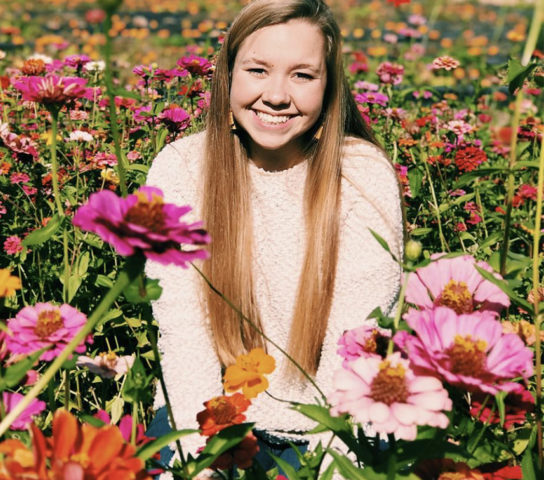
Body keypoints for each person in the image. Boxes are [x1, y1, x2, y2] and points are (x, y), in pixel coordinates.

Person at [145, 0, 403, 475]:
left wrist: (331, 464)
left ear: (329, 87)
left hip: (335, 425)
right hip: (210, 411)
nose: (277, 96)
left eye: (303, 75)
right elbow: (184, 333)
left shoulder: (361, 174)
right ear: (228, 76)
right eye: (258, 70)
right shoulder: (181, 168)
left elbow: (358, 340)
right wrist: (204, 458)